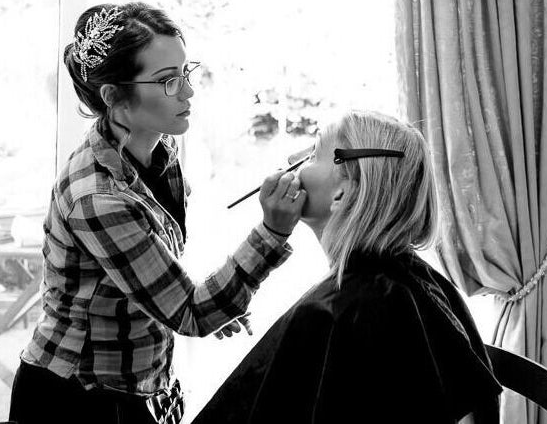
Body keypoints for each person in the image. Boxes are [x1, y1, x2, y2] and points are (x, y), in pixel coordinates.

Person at [8, 2, 306, 424]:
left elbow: (156, 281)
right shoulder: (98, 198)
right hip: (76, 400)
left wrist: (183, 304)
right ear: (114, 97)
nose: (188, 92)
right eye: (168, 80)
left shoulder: (158, 152)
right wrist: (272, 232)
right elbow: (191, 312)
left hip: (136, 389)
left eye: (186, 72)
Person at [192, 111, 502, 424]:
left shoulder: (341, 311)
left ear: (342, 194)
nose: (292, 163)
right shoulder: (415, 282)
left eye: (313, 154)